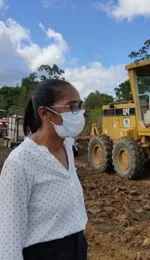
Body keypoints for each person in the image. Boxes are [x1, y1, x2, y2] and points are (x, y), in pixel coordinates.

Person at [0, 79, 88, 260]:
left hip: (77, 246)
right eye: (71, 107)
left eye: (79, 106)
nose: (78, 113)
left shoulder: (68, 146)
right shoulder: (20, 162)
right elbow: (8, 237)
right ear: (45, 113)